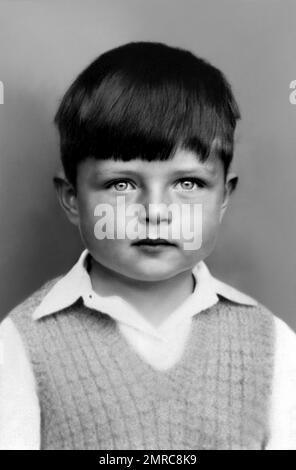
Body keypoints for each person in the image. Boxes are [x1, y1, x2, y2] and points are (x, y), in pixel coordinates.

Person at [2, 41, 296, 450]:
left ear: (224, 197)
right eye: (121, 184)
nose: (156, 211)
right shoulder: (20, 343)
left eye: (188, 183)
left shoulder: (273, 345)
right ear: (72, 197)